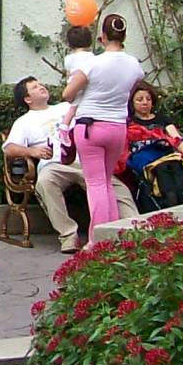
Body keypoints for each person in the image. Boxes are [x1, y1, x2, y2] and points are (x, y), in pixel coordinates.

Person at [5, 76, 134, 253]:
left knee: (116, 187)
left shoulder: (66, 107)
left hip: (84, 160)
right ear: (27, 99)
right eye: (35, 87)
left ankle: (135, 228)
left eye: (41, 84)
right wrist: (32, 152)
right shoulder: (24, 121)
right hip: (54, 164)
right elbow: (9, 149)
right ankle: (68, 236)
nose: (42, 87)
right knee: (45, 182)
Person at [61, 12, 142, 236]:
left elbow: (68, 95)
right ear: (124, 35)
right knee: (106, 182)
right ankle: (113, 233)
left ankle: (98, 238)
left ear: (102, 37)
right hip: (117, 127)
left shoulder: (92, 64)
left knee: (95, 184)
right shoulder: (134, 64)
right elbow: (134, 84)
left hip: (90, 126)